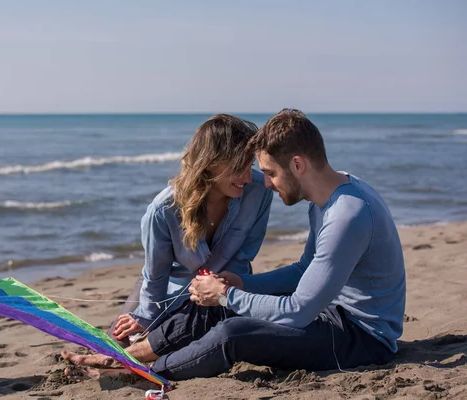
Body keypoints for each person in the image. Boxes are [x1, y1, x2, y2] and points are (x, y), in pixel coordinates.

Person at [64, 109, 406, 381]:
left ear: (298, 165)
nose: (266, 185)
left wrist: (228, 296)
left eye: (270, 172)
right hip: (332, 312)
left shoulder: (347, 214)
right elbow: (304, 270)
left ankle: (137, 368)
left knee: (233, 332)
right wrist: (241, 284)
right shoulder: (328, 199)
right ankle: (126, 356)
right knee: (223, 299)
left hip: (362, 337)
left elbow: (299, 310)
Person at [106, 114, 274, 347]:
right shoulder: (164, 210)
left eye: (250, 165)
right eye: (238, 167)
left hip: (222, 288)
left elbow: (242, 259)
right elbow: (156, 275)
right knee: (118, 342)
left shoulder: (259, 192)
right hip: (163, 285)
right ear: (211, 162)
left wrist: (213, 294)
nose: (247, 176)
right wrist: (146, 317)